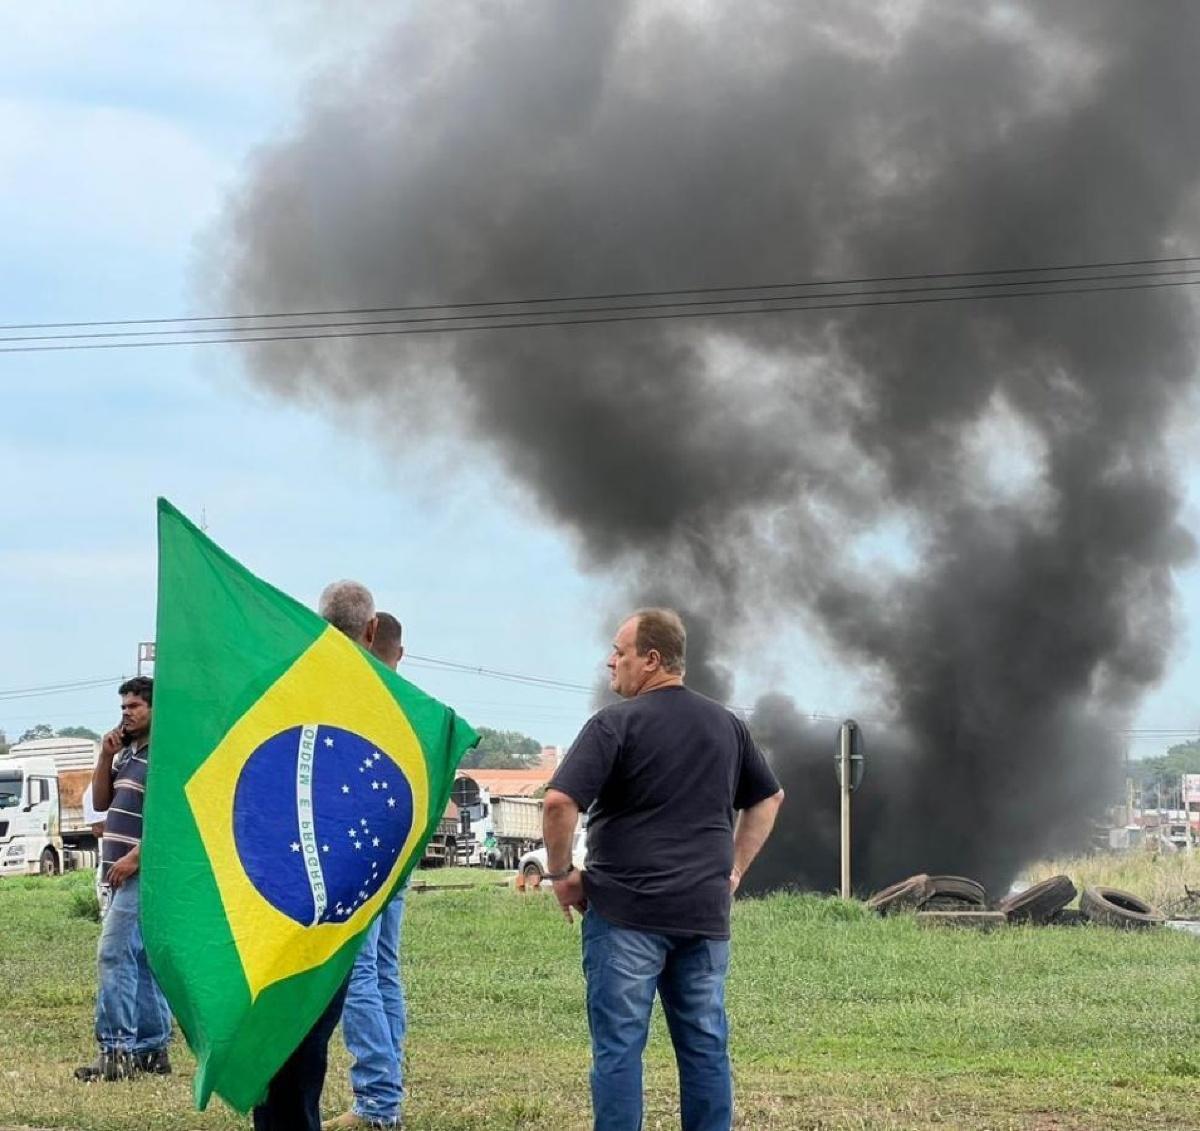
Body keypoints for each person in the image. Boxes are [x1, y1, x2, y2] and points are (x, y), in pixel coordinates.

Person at [544, 608, 785, 1131]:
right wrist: (735, 869)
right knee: (704, 1048)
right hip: (702, 915)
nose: (611, 663)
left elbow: (560, 803)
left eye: (620, 652)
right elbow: (769, 797)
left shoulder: (615, 724)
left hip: (625, 915)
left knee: (619, 1051)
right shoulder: (726, 725)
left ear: (651, 660)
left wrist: (562, 876)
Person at [254, 580, 379, 1131]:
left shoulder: (282, 684)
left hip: (267, 888)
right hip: (338, 899)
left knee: (275, 1029)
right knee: (308, 1039)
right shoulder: (379, 700)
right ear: (371, 631)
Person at [324, 611, 410, 1131]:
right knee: (381, 969)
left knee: (357, 971)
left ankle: (378, 1101)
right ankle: (387, 1095)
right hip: (394, 853)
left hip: (358, 853)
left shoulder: (354, 696)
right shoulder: (409, 706)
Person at [75, 676, 173, 1082]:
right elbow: (101, 803)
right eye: (123, 708)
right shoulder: (126, 755)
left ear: (153, 709)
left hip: (139, 872)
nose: (126, 714)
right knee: (142, 961)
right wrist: (104, 756)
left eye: (134, 706)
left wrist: (137, 857)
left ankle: (116, 1050)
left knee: (113, 954)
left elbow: (170, 818)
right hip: (117, 870)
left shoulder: (163, 756)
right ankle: (152, 1049)